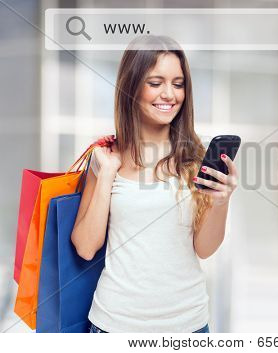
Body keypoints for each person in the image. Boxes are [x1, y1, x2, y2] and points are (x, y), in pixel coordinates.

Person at [70, 35, 238, 333]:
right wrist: (107, 174)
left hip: (188, 327)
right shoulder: (107, 156)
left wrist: (221, 201)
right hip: (114, 325)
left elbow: (204, 248)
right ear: (132, 86)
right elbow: (85, 247)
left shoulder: (196, 159)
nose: (169, 94)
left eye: (178, 83)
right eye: (155, 82)